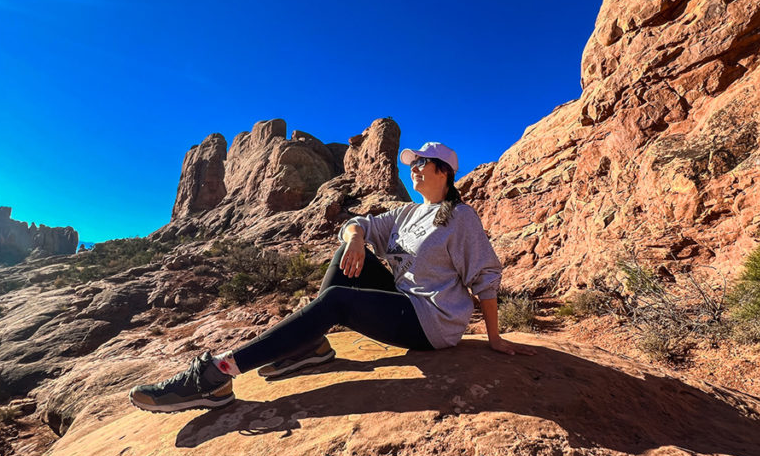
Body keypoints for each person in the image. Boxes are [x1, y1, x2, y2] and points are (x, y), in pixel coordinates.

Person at [130, 141, 536, 413]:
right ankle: (310, 347)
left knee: (339, 300)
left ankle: (219, 374)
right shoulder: (408, 213)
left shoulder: (461, 217)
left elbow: (485, 275)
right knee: (345, 251)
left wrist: (495, 338)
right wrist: (358, 238)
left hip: (433, 322)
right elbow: (357, 223)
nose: (412, 168)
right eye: (410, 163)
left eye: (421, 164)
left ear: (444, 172)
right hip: (402, 300)